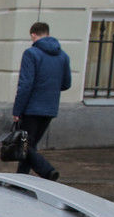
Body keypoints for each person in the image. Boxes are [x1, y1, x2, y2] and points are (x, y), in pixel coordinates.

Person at [12, 21, 71, 181]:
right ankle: (20, 180)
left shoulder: (31, 54)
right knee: (29, 145)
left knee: (25, 145)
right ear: (48, 33)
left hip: (31, 108)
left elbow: (25, 85)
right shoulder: (63, 56)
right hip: (50, 108)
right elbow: (66, 84)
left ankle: (47, 171)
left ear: (33, 35)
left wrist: (17, 110)